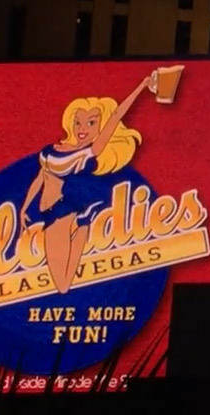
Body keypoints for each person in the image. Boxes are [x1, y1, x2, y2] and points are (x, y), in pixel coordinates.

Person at [19, 70, 162, 295]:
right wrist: (25, 207)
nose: (83, 128)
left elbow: (115, 117)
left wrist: (142, 86)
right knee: (61, 281)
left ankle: (84, 224)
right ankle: (85, 222)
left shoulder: (87, 153)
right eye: (78, 122)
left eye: (91, 122)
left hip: (62, 211)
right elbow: (40, 178)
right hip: (45, 211)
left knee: (63, 286)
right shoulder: (51, 150)